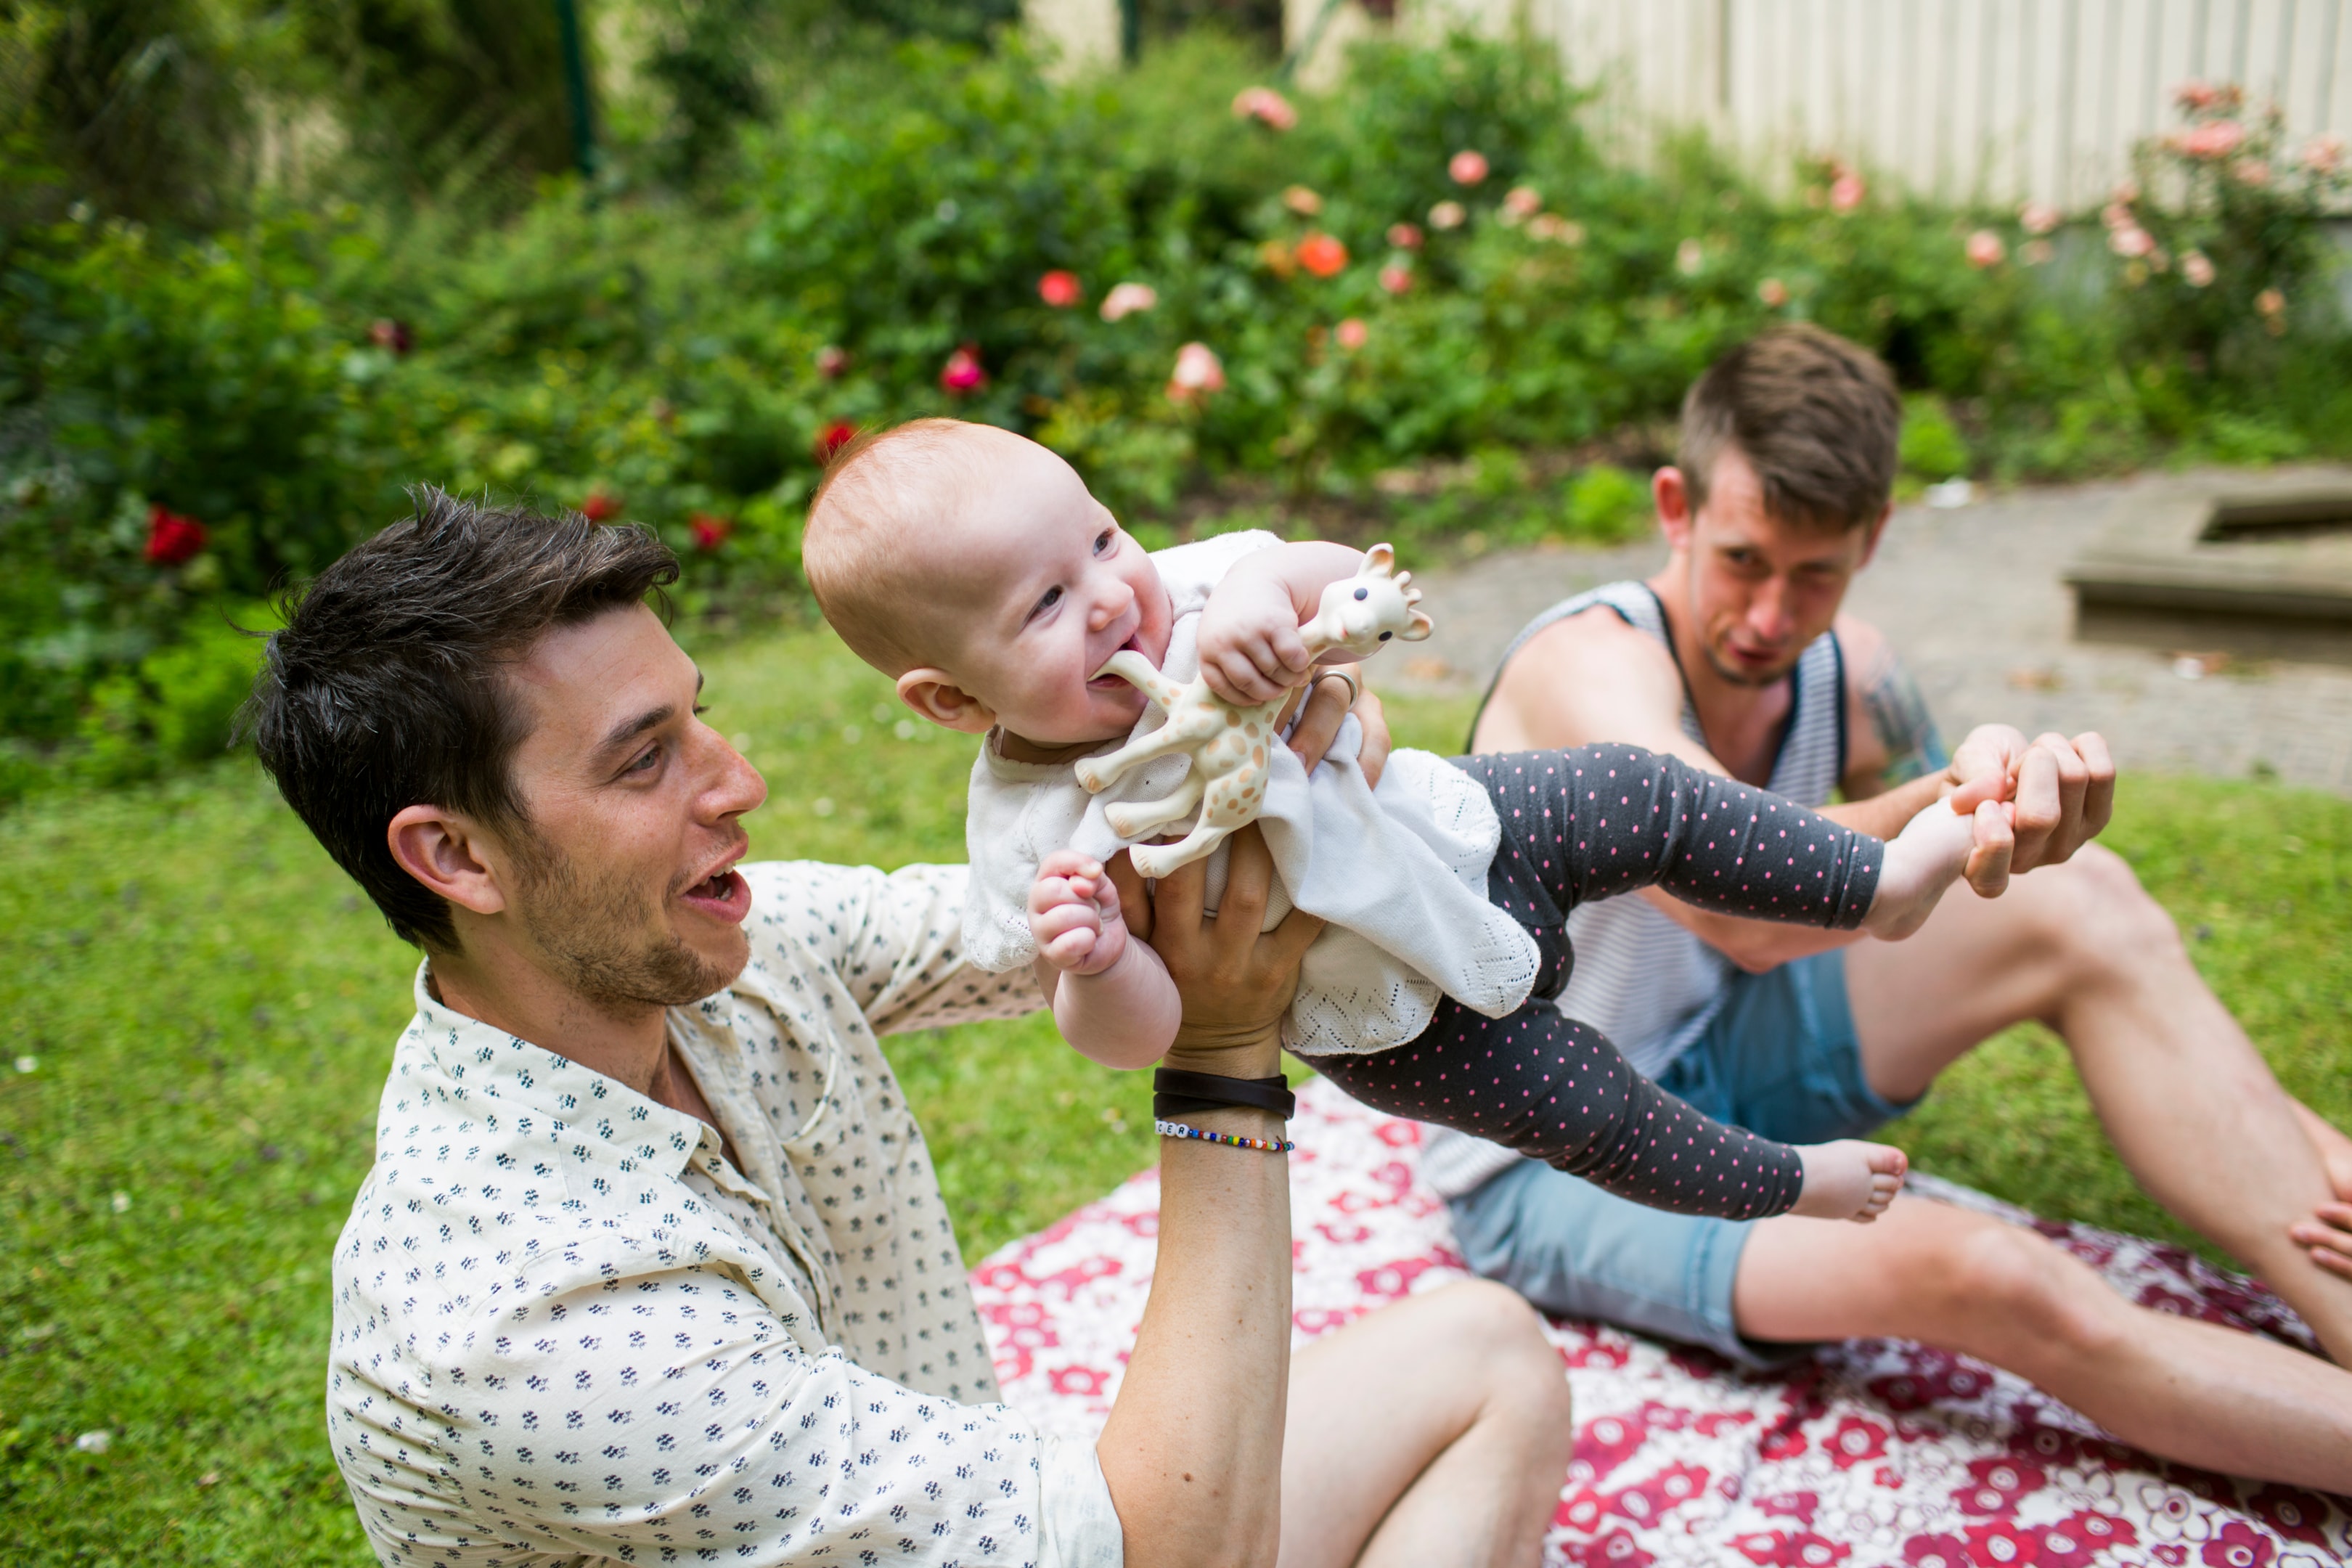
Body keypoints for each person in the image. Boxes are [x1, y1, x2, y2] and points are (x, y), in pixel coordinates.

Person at [245, 489, 1577, 1568]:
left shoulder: (719, 959)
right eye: (645, 759)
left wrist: (1278, 754)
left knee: (1489, 1355)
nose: (741, 782)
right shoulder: (531, 1333)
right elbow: (1170, 1552)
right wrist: (1221, 1065)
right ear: (456, 858)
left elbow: (1064, 916)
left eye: (700, 716)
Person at [1426, 323, 2352, 1490]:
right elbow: (1748, 915)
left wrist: (2308, 1145)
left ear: (1873, 538)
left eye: (1814, 573)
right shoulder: (1589, 666)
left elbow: (1979, 887)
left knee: (2087, 900)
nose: (1772, 614)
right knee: (1996, 1276)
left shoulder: (1855, 676)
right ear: (1675, 509)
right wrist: (1964, 793)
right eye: (1744, 561)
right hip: (1552, 1153)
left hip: (1725, 1048)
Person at [802, 419, 2009, 1225]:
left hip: (1459, 824)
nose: (1117, 594)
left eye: (1105, 536)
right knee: (1589, 1111)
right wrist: (1098, 965)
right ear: (953, 701)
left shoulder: (1197, 588)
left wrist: (1274, 589)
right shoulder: (1037, 845)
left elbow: (1344, 572)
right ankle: (1788, 1185)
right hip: (1384, 1013)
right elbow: (1135, 1038)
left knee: (1646, 794)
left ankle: (1877, 884)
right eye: (1048, 603)